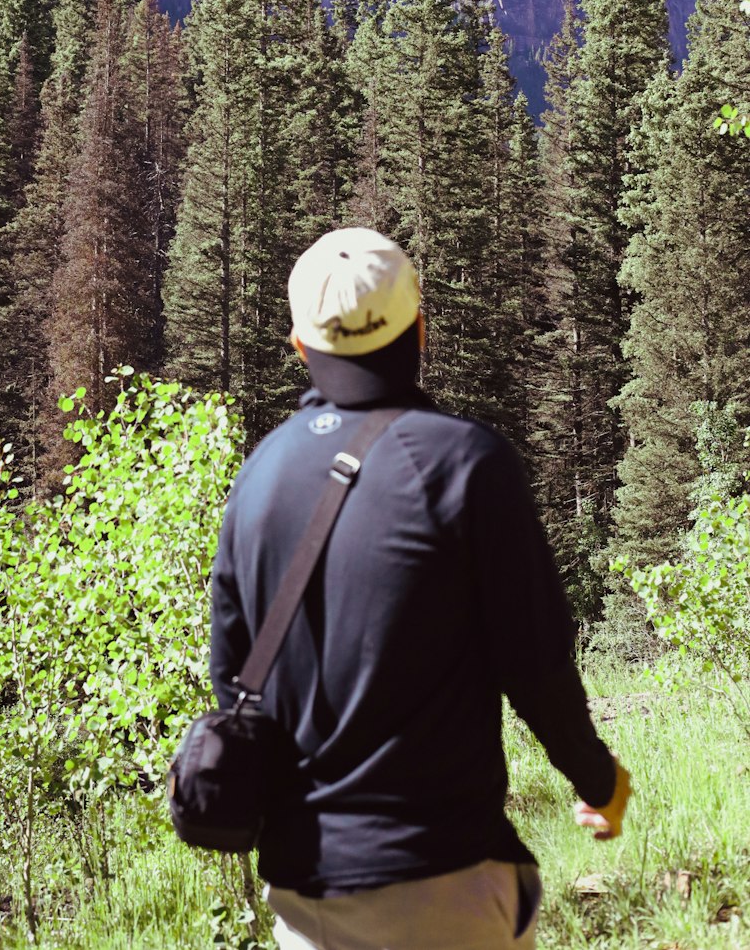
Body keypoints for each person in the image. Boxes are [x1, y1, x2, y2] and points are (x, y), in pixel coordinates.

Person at [210, 227, 631, 950]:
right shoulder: (467, 464)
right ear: (420, 330)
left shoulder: (258, 479)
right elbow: (535, 663)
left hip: (305, 895)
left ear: (301, 348)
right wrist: (598, 781)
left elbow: (232, 682)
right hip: (448, 883)